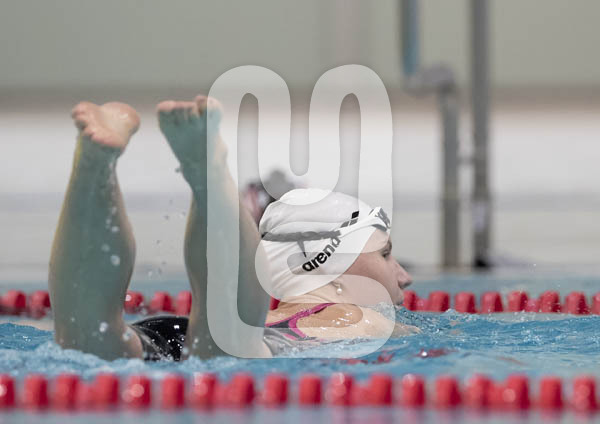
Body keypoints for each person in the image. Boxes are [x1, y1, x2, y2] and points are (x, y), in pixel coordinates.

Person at [48, 95, 413, 361]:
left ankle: (95, 165)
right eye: (385, 254)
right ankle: (208, 171)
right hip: (252, 347)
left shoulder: (265, 316)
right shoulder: (366, 320)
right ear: (328, 266)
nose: (404, 275)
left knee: (86, 339)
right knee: (228, 344)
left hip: (174, 332)